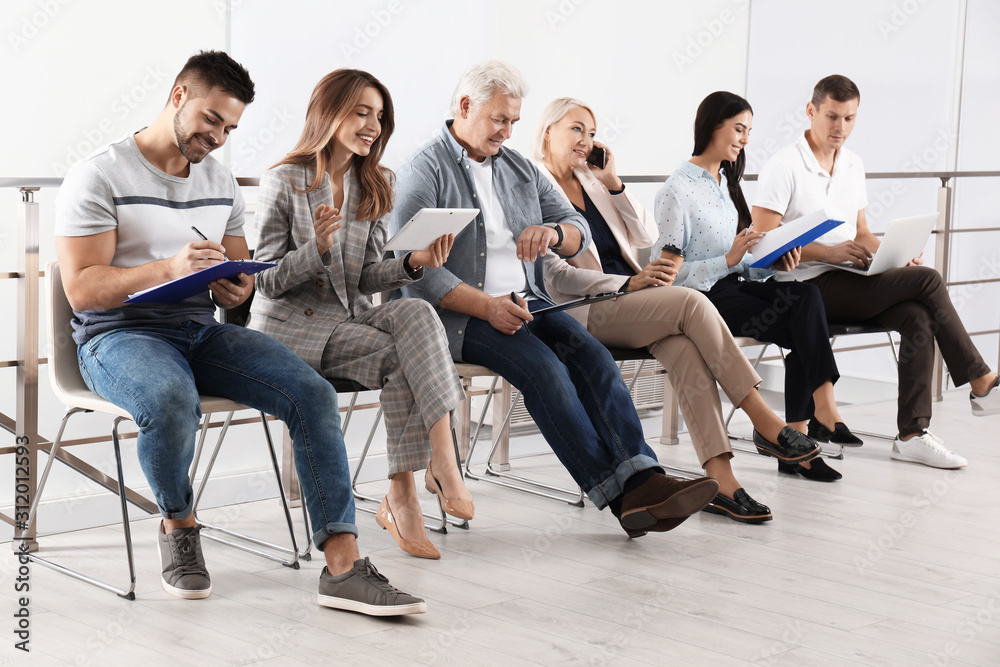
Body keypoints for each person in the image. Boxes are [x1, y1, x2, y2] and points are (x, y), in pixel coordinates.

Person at [54, 51, 425, 615]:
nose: (219, 137)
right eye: (211, 120)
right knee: (171, 399)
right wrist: (168, 270)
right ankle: (179, 524)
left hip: (197, 330)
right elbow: (81, 289)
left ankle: (344, 566)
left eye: (230, 128)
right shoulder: (99, 174)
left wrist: (235, 289)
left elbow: (240, 270)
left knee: (312, 393)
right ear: (178, 96)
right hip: (117, 337)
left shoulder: (219, 178)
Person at [392, 60, 724, 538]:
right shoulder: (423, 171)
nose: (507, 131)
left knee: (593, 357)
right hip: (463, 317)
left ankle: (644, 478)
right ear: (465, 107)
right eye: (498, 119)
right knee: (546, 371)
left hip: (530, 302)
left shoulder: (521, 170)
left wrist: (552, 232)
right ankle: (624, 496)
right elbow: (416, 272)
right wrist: (487, 307)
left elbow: (578, 229)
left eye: (513, 122)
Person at [533, 97, 825, 523]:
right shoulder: (535, 184)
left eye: (592, 132)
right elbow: (552, 276)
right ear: (547, 132)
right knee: (692, 300)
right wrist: (625, 283)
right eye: (576, 129)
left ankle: (723, 483)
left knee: (687, 351)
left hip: (632, 298)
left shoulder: (591, 180)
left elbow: (646, 235)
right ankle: (763, 419)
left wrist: (613, 182)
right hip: (587, 306)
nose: (586, 140)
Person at [249, 69, 471, 561]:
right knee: (403, 354)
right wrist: (316, 248)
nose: (373, 125)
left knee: (414, 315)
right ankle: (413, 486)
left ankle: (424, 474)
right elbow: (262, 281)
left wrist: (415, 263)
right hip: (290, 330)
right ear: (329, 113)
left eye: (379, 116)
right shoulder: (283, 180)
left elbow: (369, 274)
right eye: (361, 112)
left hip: (346, 322)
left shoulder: (375, 181)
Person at [751, 74, 1000, 469]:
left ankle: (912, 434)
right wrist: (829, 253)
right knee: (929, 280)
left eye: (850, 119)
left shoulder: (853, 164)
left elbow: (862, 233)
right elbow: (762, 242)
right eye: (832, 116)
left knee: (917, 315)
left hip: (848, 281)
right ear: (811, 110)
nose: (840, 128)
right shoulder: (784, 166)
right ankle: (981, 382)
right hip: (803, 287)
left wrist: (894, 256)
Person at [656, 91, 852, 483]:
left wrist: (767, 262)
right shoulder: (674, 191)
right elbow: (667, 277)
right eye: (738, 128)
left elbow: (740, 257)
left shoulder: (726, 181)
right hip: (702, 301)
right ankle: (812, 430)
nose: (745, 138)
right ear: (713, 125)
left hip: (736, 286)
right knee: (804, 320)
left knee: (806, 300)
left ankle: (803, 435)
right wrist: (727, 261)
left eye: (748, 131)